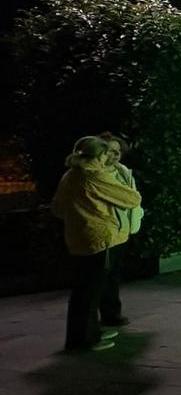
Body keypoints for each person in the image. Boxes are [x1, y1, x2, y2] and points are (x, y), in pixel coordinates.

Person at [51, 136, 142, 352]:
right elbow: (132, 198)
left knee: (84, 288)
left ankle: (89, 332)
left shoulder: (70, 175)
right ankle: (83, 339)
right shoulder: (96, 175)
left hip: (79, 237)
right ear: (98, 155)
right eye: (105, 153)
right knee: (91, 291)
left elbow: (57, 208)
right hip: (101, 238)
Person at [97, 131, 141, 328]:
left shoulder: (122, 171)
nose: (114, 155)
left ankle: (112, 313)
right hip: (105, 231)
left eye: (118, 151)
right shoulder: (97, 175)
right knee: (102, 278)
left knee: (113, 275)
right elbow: (130, 198)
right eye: (109, 151)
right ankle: (107, 316)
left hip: (122, 230)